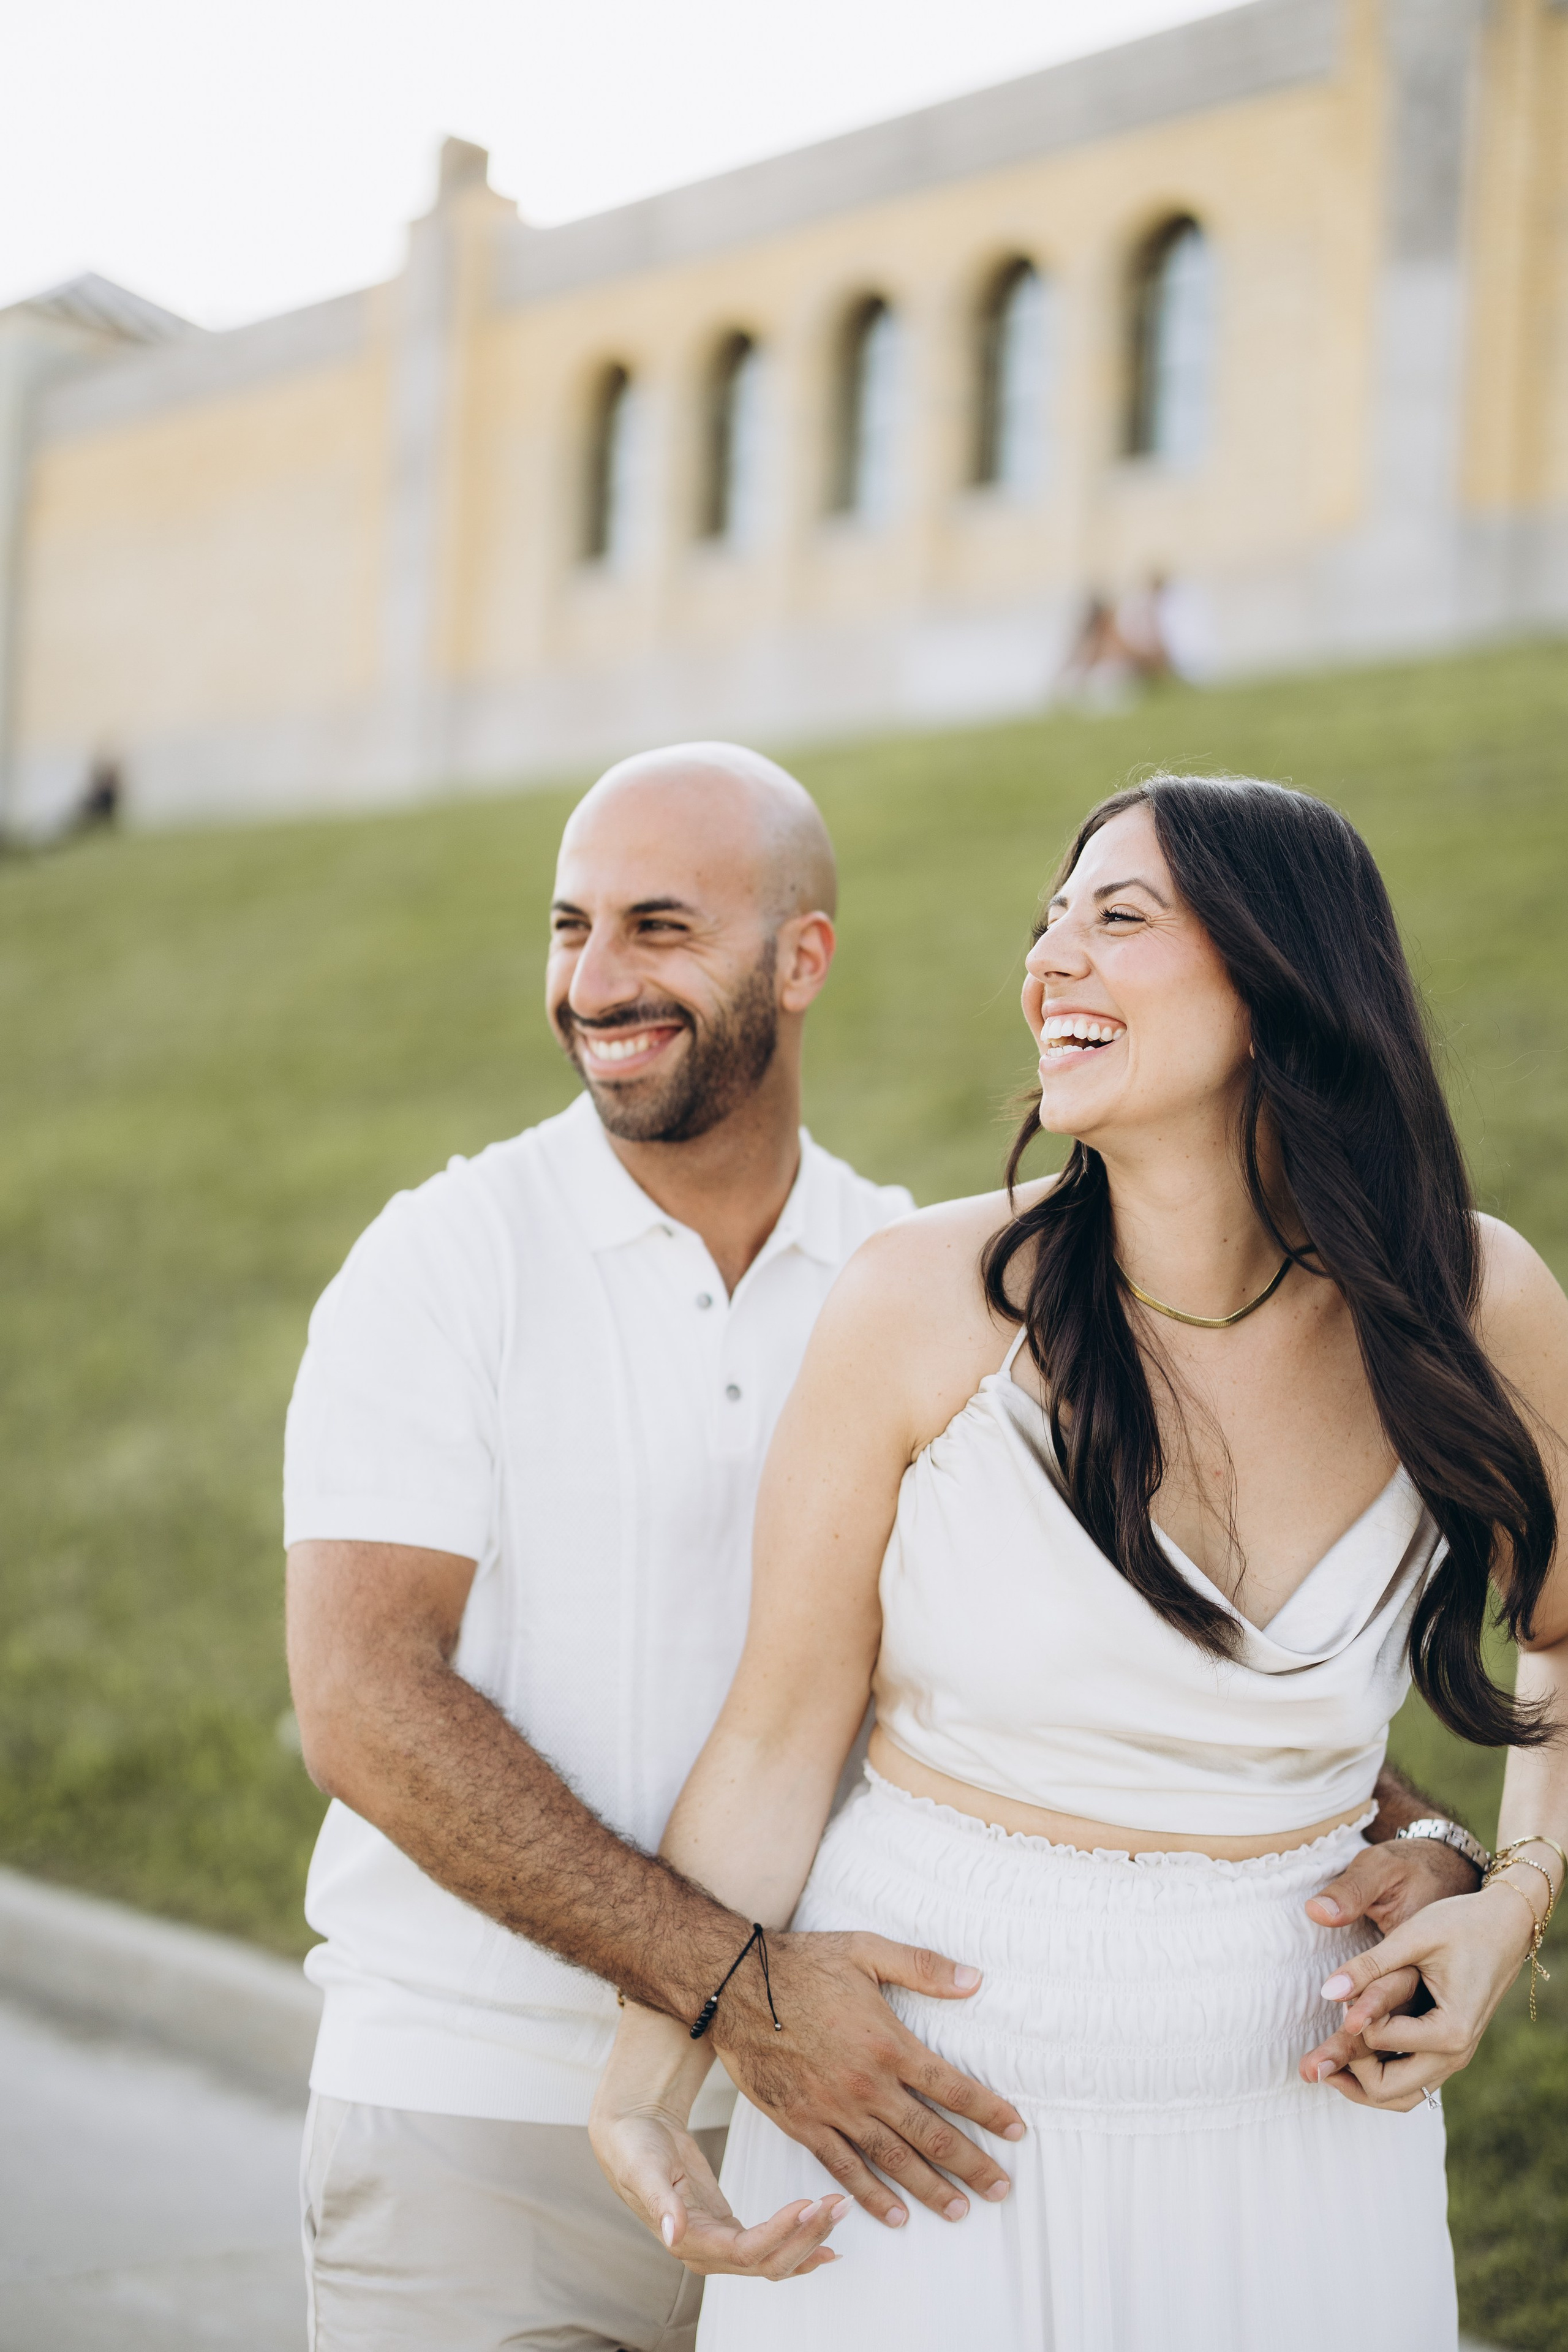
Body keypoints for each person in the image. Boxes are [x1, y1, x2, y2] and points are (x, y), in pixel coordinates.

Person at [589, 773, 1568, 2351]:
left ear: (1283, 980)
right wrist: (649, 2082)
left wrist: (1511, 1897)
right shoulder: (924, 1301)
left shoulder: (1467, 1296)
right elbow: (779, 1733)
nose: (1050, 962)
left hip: (1305, 2116)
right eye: (1049, 923)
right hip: (930, 2119)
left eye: (1118, 919)